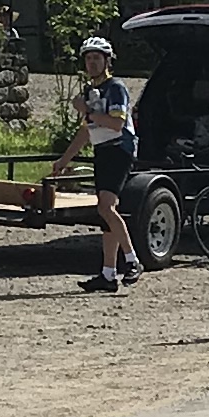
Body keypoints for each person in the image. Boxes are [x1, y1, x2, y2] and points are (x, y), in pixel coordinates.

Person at [36, 35, 138, 293]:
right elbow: (86, 131)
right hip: (102, 149)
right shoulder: (88, 92)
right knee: (106, 212)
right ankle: (108, 274)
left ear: (107, 61)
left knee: (105, 207)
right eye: (88, 58)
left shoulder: (115, 87)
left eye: (96, 58)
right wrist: (63, 160)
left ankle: (132, 260)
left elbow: (116, 123)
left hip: (120, 148)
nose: (92, 63)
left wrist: (88, 111)